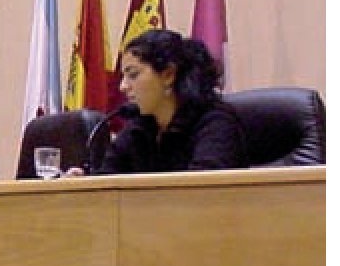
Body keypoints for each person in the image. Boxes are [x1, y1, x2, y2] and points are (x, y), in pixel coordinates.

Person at [78, 29, 245, 175]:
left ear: (168, 75)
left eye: (133, 75)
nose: (122, 87)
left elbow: (202, 189)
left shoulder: (216, 124)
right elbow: (107, 180)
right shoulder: (138, 129)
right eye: (123, 76)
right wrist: (84, 183)